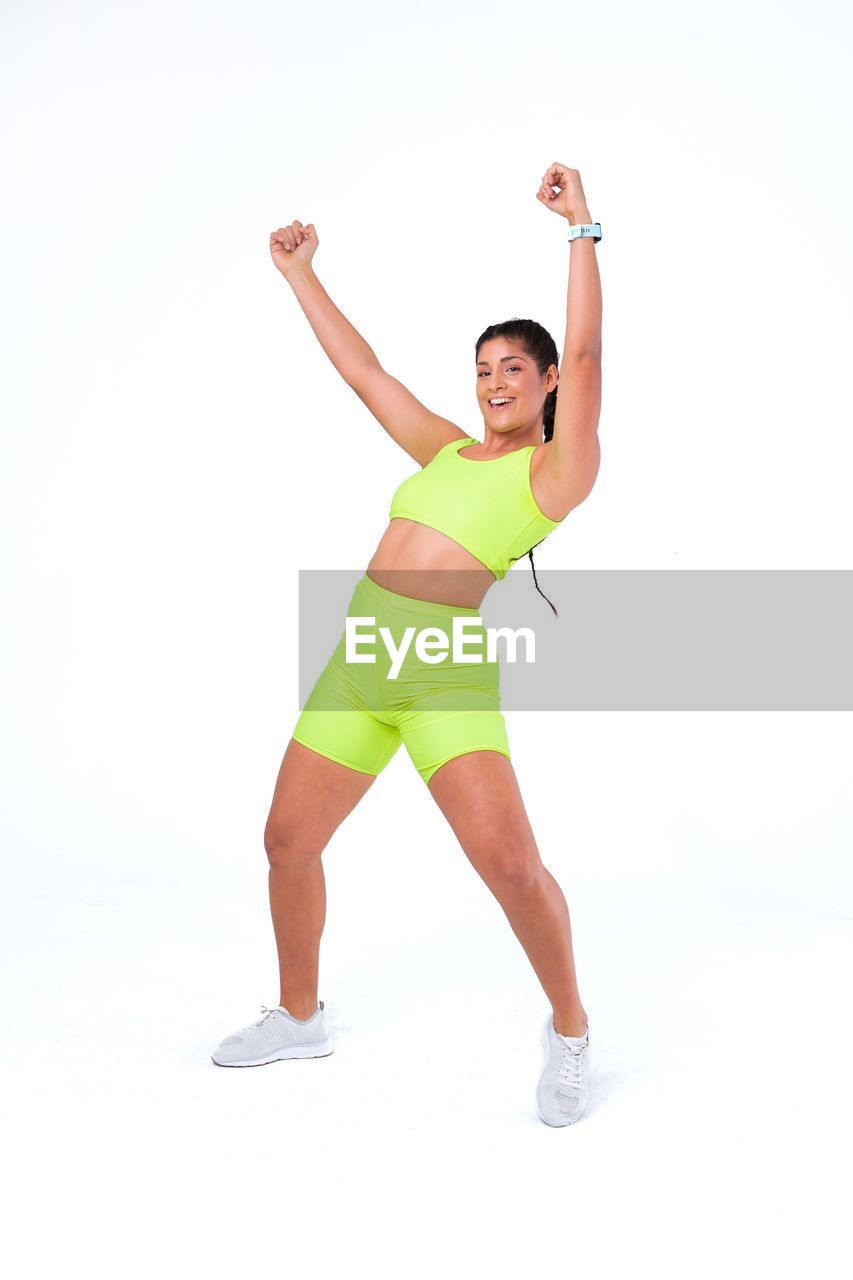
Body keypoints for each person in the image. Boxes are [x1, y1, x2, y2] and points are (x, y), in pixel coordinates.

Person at [211, 163, 603, 1127]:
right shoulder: (443, 449)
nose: (495, 381)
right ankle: (300, 1015)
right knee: (286, 840)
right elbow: (366, 374)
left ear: (545, 381)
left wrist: (579, 227)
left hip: (437, 672)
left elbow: (591, 356)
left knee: (508, 864)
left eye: (515, 366)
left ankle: (570, 1029)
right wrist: (301, 275)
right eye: (483, 367)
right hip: (359, 662)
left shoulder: (555, 473)